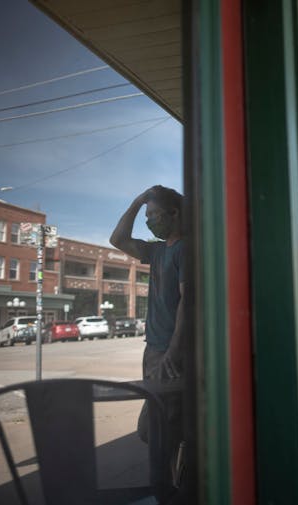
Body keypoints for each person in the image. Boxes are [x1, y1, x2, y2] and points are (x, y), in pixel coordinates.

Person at [110, 184, 185, 483]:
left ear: (174, 213)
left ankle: (170, 490)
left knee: (157, 430)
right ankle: (174, 483)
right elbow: (118, 239)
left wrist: (173, 351)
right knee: (157, 429)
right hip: (153, 351)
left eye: (153, 213)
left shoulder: (184, 249)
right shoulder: (155, 251)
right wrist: (138, 200)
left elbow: (187, 305)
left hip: (170, 354)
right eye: (147, 215)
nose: (149, 220)